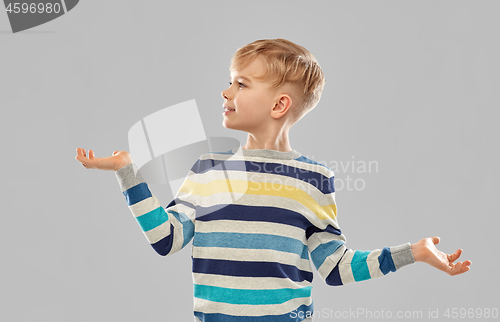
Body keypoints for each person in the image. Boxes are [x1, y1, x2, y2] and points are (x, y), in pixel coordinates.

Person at [75, 38, 471, 322]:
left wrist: (413, 252)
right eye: (230, 80)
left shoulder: (314, 179)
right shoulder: (208, 168)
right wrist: (128, 173)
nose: (226, 90)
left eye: (241, 84)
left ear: (280, 104)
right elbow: (167, 239)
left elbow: (335, 268)